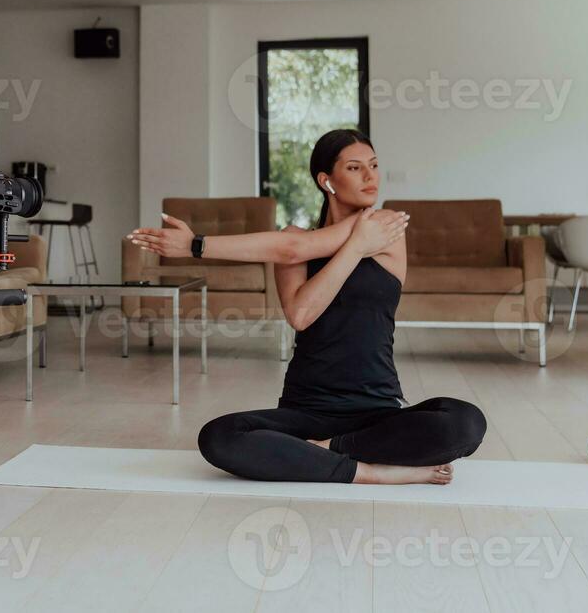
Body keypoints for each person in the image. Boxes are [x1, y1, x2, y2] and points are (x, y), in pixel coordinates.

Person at [127, 128, 487, 485]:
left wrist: (196, 245)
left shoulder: (384, 226)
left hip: (376, 412)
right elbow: (301, 313)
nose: (370, 176)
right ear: (326, 180)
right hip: (306, 410)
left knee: (465, 422)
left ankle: (325, 450)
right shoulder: (294, 241)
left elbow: (298, 249)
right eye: (354, 167)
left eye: (374, 166)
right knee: (219, 436)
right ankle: (370, 471)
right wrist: (355, 249)